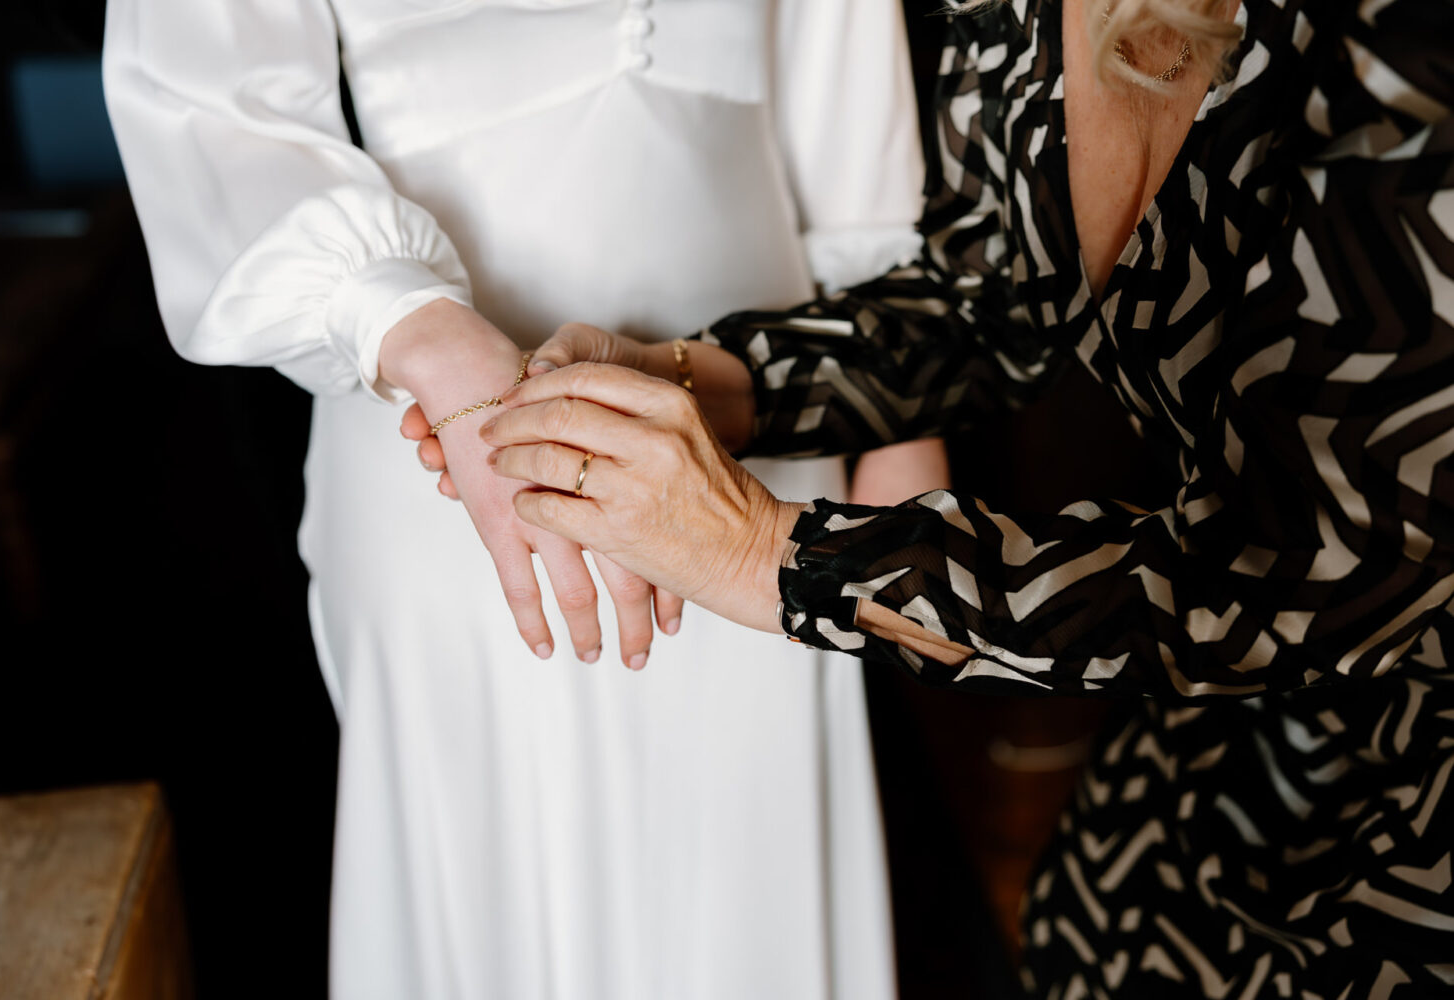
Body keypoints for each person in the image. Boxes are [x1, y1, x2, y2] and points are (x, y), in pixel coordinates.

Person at [414, 0, 1454, 992]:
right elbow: (987, 296)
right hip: (1198, 780)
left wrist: (760, 555)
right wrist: (703, 380)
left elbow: (1313, 568)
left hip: (1411, 829)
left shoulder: (1405, 48)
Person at [102, 1, 947, 997]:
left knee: (745, 874)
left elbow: (844, 111)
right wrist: (419, 333)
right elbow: (206, 100)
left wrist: (904, 413)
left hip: (768, 425)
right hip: (442, 437)